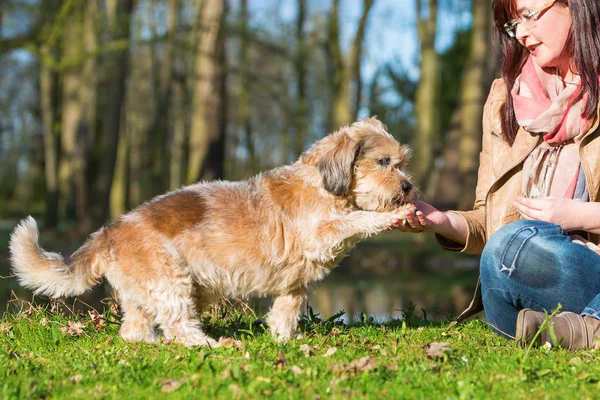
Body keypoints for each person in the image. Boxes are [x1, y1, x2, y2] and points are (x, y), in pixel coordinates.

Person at [393, 0, 600, 350]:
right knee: (507, 250)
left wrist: (577, 216)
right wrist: (442, 221)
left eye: (529, 15)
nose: (520, 33)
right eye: (512, 23)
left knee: (512, 244)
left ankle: (586, 330)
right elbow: (494, 226)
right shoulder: (504, 99)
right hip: (534, 279)